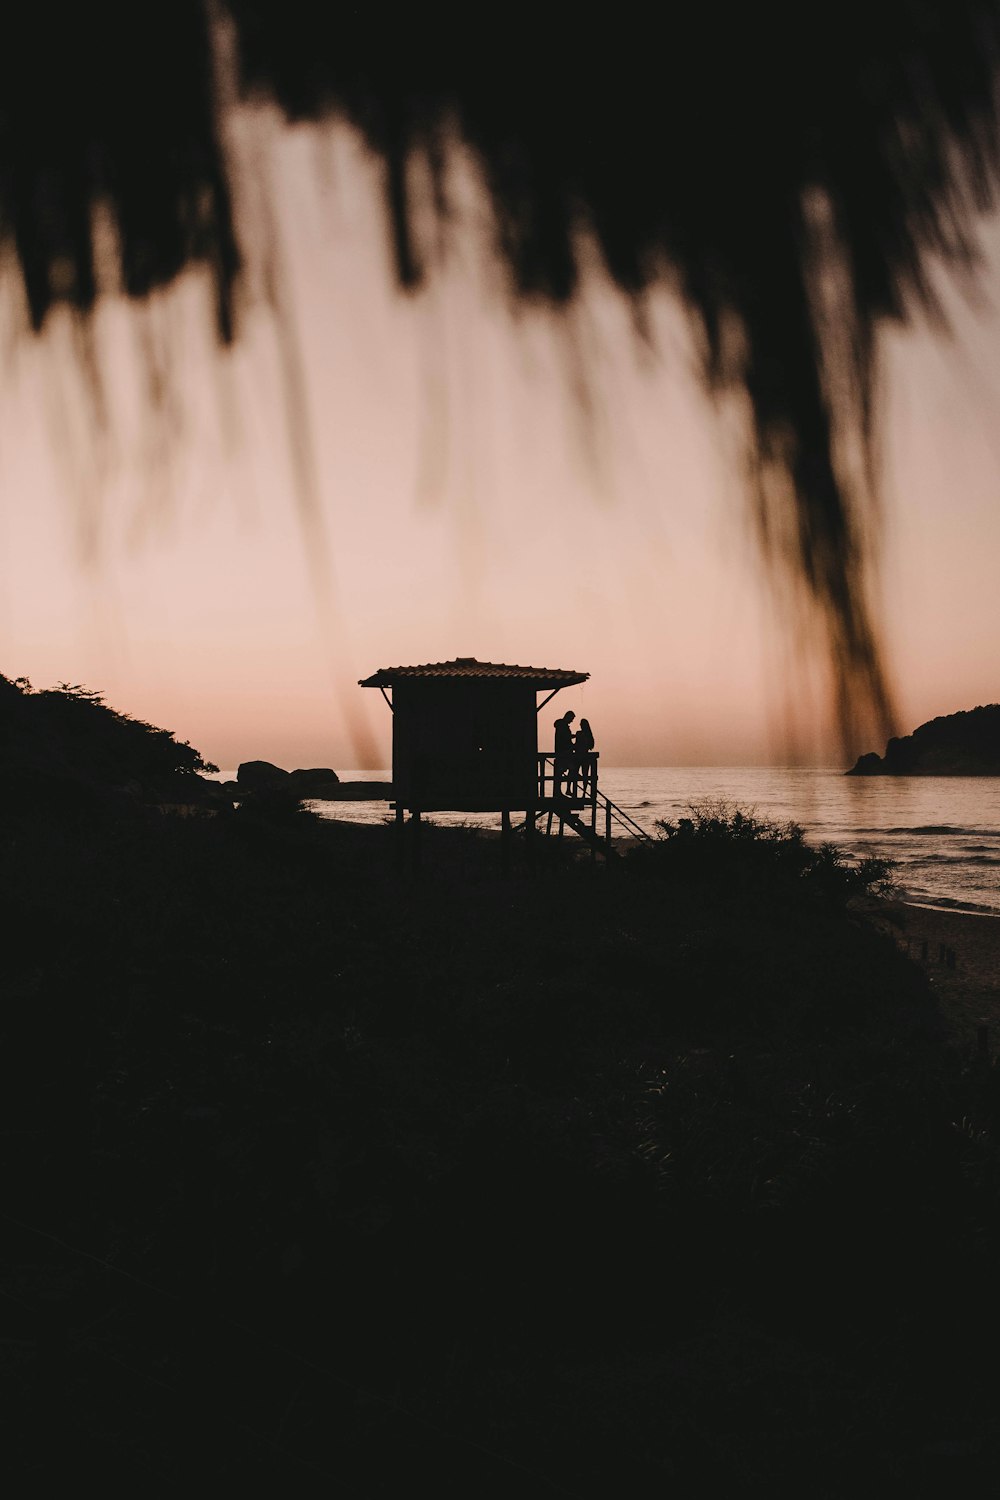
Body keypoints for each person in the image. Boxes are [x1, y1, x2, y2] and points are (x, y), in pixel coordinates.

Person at [553, 710, 576, 796]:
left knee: (561, 771)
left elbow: (566, 738)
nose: (572, 721)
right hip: (564, 753)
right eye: (572, 718)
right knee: (569, 769)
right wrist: (576, 737)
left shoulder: (561, 726)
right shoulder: (563, 726)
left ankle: (560, 791)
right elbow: (565, 739)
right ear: (568, 717)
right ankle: (563, 791)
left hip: (562, 751)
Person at [574, 717, 595, 796]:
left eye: (580, 723)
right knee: (585, 775)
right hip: (586, 757)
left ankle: (573, 792)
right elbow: (590, 746)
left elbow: (576, 745)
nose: (579, 725)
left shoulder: (579, 733)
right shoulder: (589, 735)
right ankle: (584, 793)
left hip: (578, 757)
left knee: (574, 773)